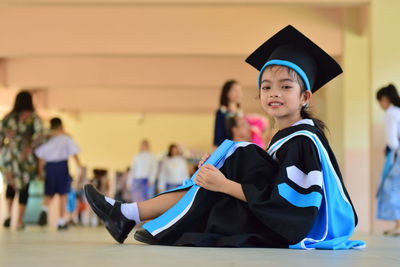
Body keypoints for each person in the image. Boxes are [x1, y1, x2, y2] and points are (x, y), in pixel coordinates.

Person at [84, 25, 365, 249]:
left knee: (240, 153)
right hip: (274, 217)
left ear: (304, 97)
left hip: (295, 227)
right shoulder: (285, 137)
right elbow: (264, 182)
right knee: (231, 158)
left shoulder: (304, 141)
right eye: (266, 87)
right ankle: (127, 214)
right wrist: (220, 167)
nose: (274, 93)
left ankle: (128, 215)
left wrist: (225, 184)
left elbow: (289, 206)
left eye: (285, 86)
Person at [0, 91, 44, 230]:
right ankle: (19, 221)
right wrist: (30, 146)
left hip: (9, 155)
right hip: (25, 155)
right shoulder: (33, 117)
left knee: (10, 184)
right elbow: (40, 136)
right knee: (24, 187)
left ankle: (8, 216)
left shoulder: (8, 117)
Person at [35, 117, 83, 230]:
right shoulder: (66, 138)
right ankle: (61, 221)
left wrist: (40, 173)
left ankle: (44, 209)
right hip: (62, 167)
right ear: (61, 125)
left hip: (50, 168)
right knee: (63, 194)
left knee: (49, 193)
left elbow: (41, 159)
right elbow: (74, 153)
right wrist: (80, 166)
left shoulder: (46, 139)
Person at [376, 84, 400, 236]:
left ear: (385, 99)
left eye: (379, 101)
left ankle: (398, 224)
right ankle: (397, 225)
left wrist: (389, 149)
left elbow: (393, 141)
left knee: (391, 188)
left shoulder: (391, 113)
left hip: (397, 156)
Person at [213, 80, 243, 147]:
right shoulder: (221, 112)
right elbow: (218, 138)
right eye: (235, 90)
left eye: (240, 90)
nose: (238, 93)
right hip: (226, 149)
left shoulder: (240, 113)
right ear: (227, 92)